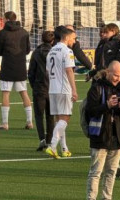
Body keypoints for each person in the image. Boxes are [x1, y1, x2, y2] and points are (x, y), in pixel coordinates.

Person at [85, 61, 120, 200]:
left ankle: (107, 198)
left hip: (117, 136)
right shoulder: (97, 88)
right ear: (108, 72)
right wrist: (106, 105)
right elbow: (90, 111)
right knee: (96, 172)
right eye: (116, 75)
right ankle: (91, 198)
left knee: (111, 172)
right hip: (100, 136)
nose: (119, 78)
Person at [0, 10, 33, 131]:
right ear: (15, 18)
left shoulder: (2, 33)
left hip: (7, 67)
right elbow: (27, 50)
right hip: (20, 67)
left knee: (6, 94)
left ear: (6, 19)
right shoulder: (24, 32)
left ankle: (5, 123)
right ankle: (30, 122)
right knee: (24, 93)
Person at [45, 25, 78, 159]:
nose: (74, 41)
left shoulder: (51, 51)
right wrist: (74, 90)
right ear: (67, 37)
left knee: (59, 120)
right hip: (64, 89)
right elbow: (69, 70)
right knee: (65, 118)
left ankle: (64, 148)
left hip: (53, 89)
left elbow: (47, 71)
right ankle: (52, 146)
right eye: (73, 38)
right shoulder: (67, 51)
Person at [28, 30, 55, 151]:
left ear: (41, 39)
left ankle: (42, 139)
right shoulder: (55, 52)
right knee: (50, 116)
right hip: (52, 87)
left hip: (39, 87)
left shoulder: (36, 52)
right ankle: (49, 141)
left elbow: (31, 72)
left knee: (39, 115)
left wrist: (34, 86)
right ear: (52, 41)